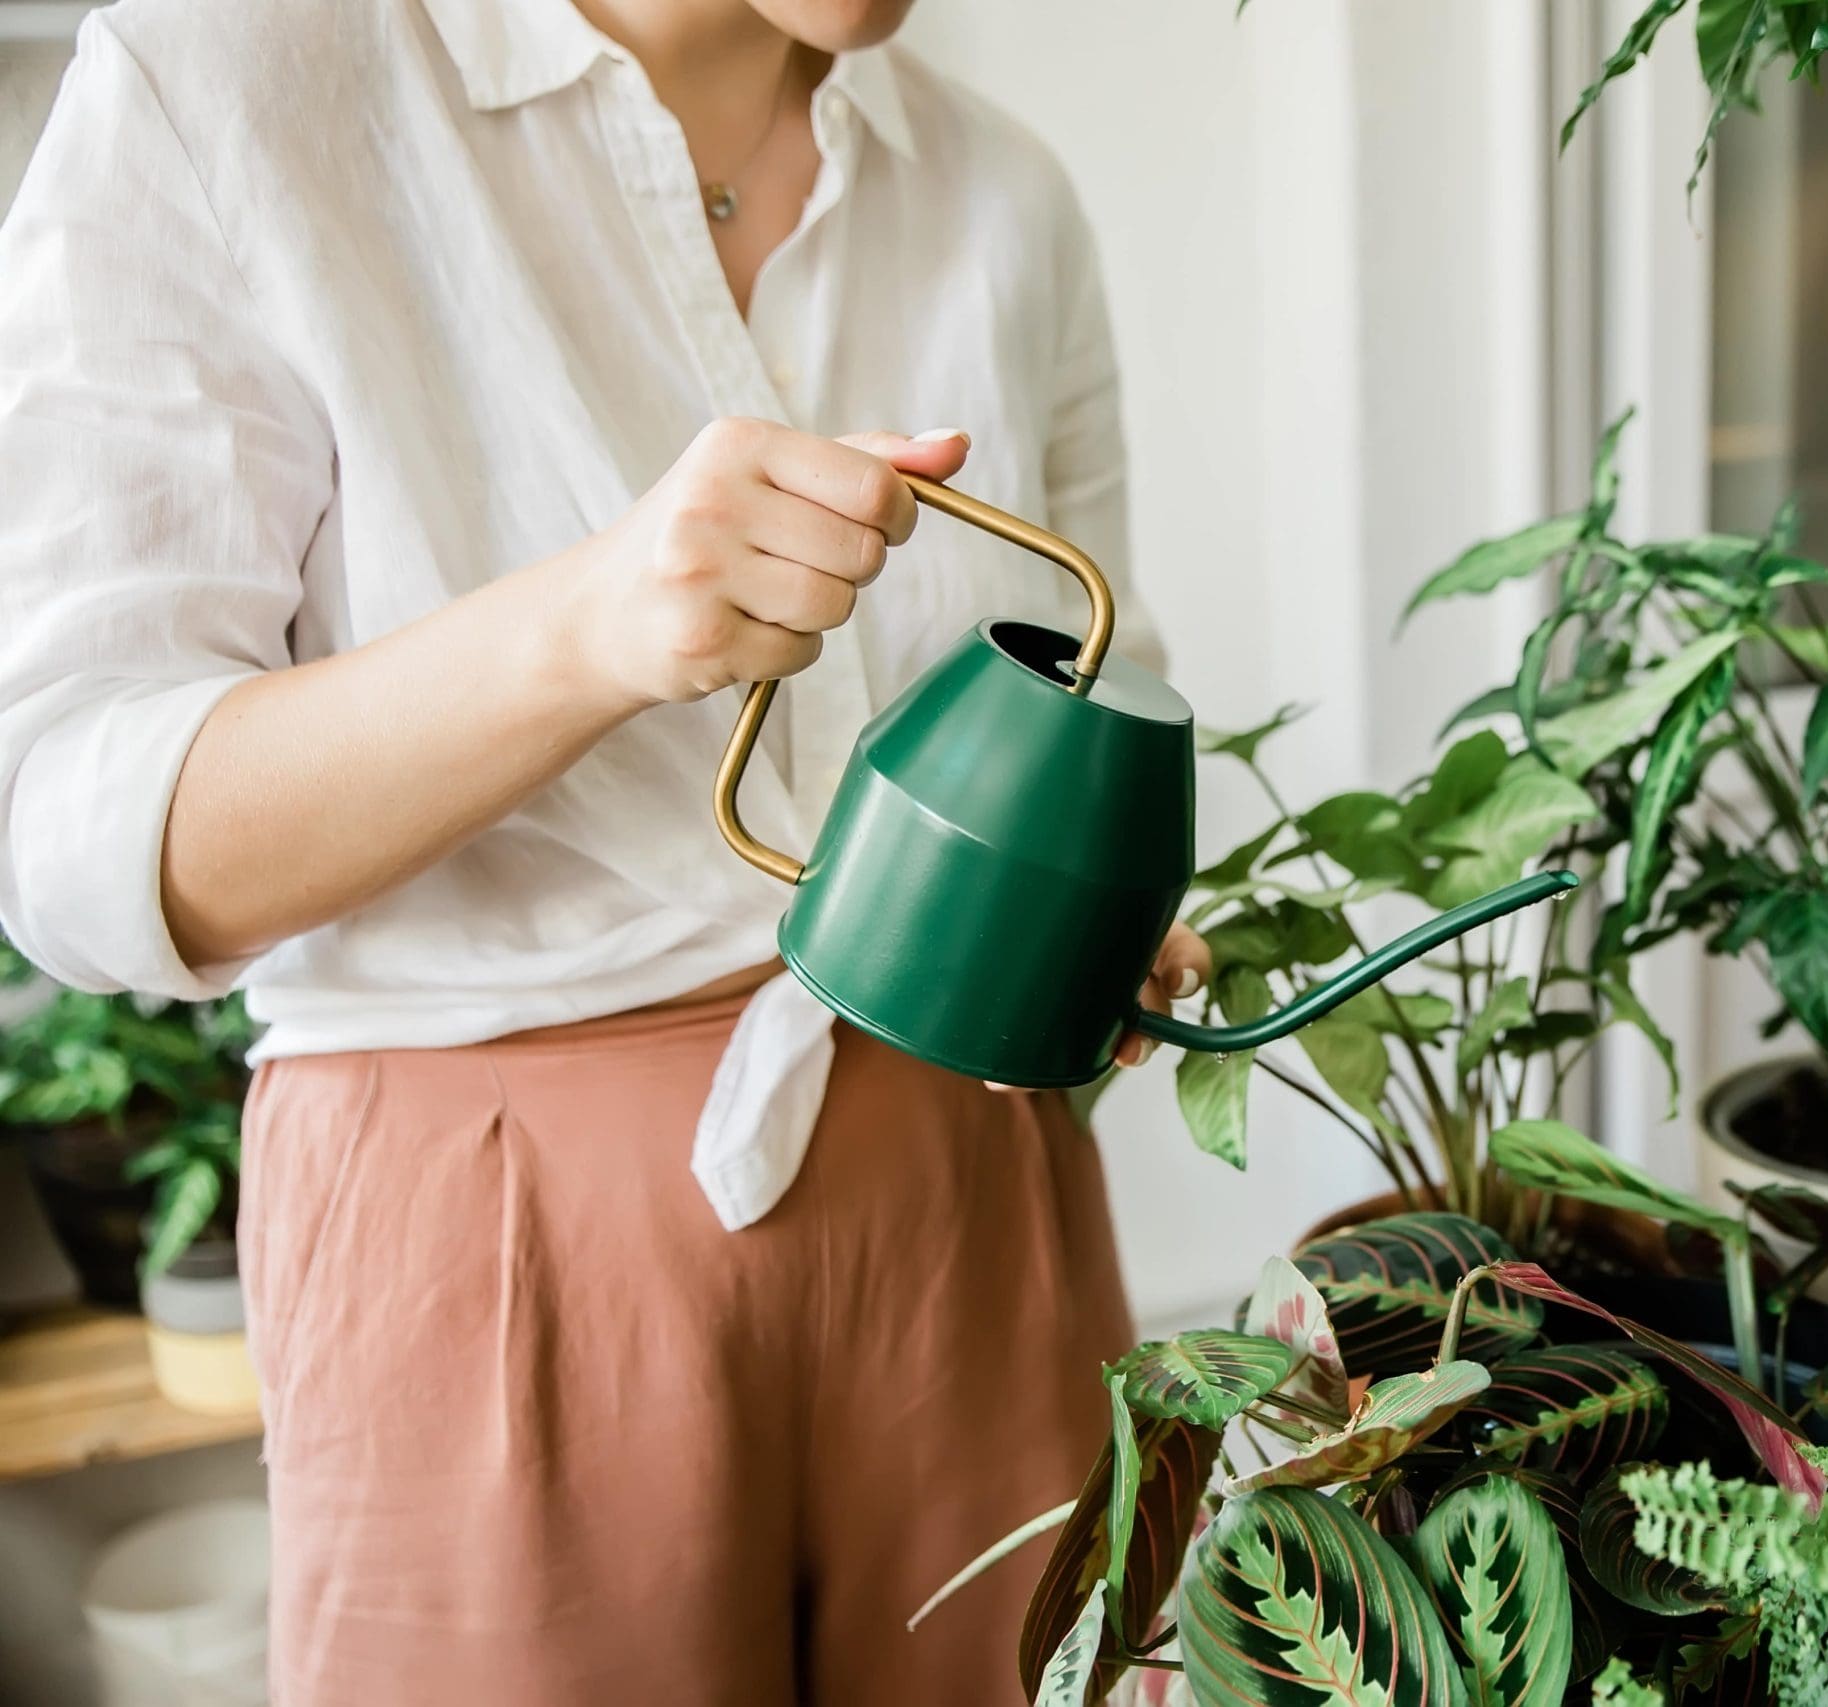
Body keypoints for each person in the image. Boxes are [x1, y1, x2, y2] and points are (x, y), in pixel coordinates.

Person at [0, 0, 1208, 1698]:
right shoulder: (236, 85)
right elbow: (66, 830)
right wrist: (582, 628)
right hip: (498, 1247)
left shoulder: (999, 194)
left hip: (979, 1206)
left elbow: (1099, 665)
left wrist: (1110, 916)